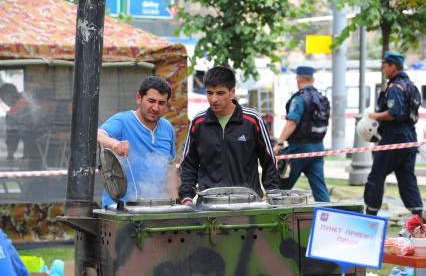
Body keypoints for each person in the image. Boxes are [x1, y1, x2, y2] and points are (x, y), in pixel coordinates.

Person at [179, 66, 279, 204]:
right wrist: (186, 196)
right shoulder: (198, 122)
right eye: (210, 93)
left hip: (249, 204)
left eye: (220, 93)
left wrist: (272, 195)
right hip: (208, 206)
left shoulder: (252, 120)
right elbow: (188, 164)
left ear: (232, 92)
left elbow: (269, 162)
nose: (214, 99)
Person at [98, 76, 177, 207]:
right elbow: (98, 134)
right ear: (139, 98)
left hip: (156, 207)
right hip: (119, 208)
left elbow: (170, 166)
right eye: (151, 101)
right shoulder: (122, 121)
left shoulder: (168, 128)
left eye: (161, 103)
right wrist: (115, 144)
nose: (156, 108)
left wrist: (175, 200)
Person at [364, 51, 423, 217]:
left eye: (384, 66)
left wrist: (375, 116)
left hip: (393, 138)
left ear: (393, 67)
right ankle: (420, 219)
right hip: (410, 139)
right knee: (407, 180)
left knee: (376, 177)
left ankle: (370, 216)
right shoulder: (411, 86)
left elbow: (394, 113)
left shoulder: (395, 87)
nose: (383, 70)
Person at [273, 66, 330, 202]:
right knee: (320, 189)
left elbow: (292, 122)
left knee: (282, 186)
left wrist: (279, 143)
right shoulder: (322, 98)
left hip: (299, 149)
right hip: (318, 149)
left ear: (298, 79)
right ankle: (330, 217)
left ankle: (278, 217)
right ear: (313, 79)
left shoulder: (299, 99)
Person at [0, 83, 44, 170]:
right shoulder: (28, 97)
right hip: (46, 139)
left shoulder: (12, 114)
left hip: (36, 142)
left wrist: (10, 155)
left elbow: (12, 136)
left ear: (7, 95)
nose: (4, 101)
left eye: (3, 98)